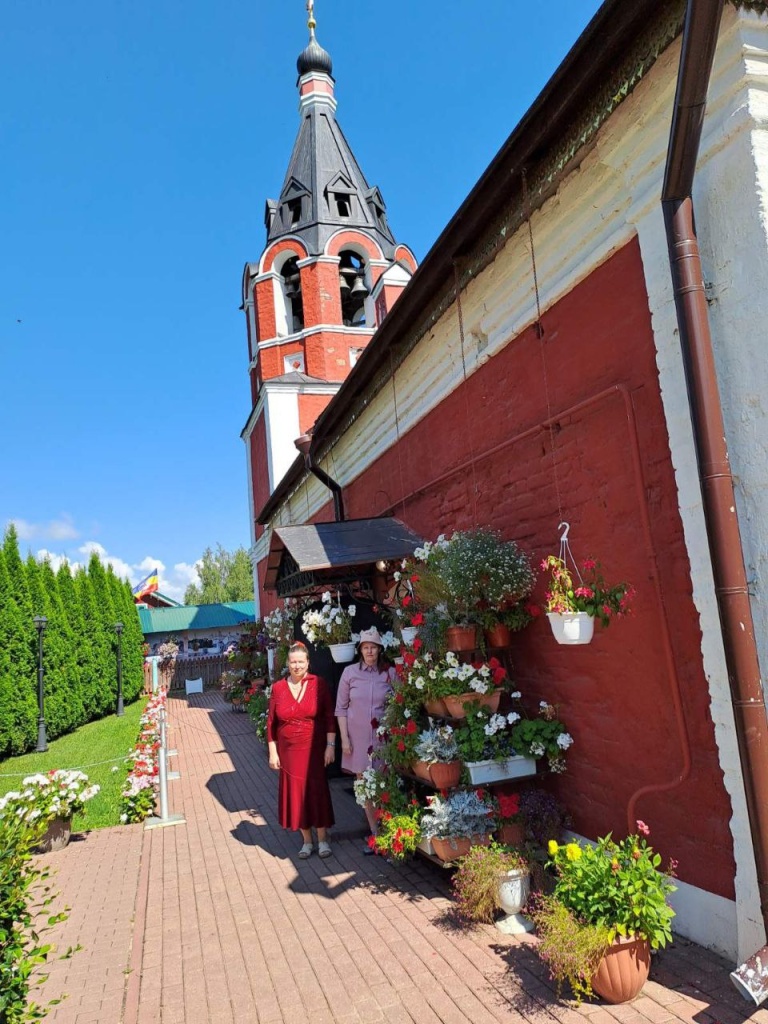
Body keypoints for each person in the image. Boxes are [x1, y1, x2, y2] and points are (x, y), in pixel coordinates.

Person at [267, 641, 336, 859]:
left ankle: (323, 839)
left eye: (301, 662)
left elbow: (329, 717)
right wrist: (273, 752)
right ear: (287, 663)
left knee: (317, 793)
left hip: (314, 750)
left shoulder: (319, 684)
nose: (297, 666)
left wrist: (330, 747)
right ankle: (307, 842)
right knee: (296, 795)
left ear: (308, 663)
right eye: (293, 662)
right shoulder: (278, 688)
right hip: (289, 753)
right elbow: (271, 724)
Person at [335, 627, 396, 852]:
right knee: (365, 788)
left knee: (383, 786)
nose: (370, 651)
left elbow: (397, 704)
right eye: (366, 648)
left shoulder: (390, 673)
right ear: (360, 650)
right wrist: (344, 740)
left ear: (380, 650)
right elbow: (340, 709)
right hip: (358, 741)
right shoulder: (349, 673)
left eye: (373, 648)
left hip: (383, 741)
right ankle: (376, 835)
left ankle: (390, 832)